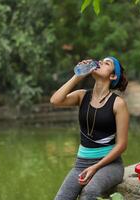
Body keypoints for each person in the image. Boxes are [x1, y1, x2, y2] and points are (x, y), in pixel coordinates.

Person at [50, 56, 129, 200]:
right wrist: (77, 76)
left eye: (107, 63)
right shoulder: (82, 96)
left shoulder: (118, 104)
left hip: (109, 165)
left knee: (89, 192)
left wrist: (95, 167)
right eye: (100, 61)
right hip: (81, 164)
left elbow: (122, 145)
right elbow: (55, 100)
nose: (100, 63)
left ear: (113, 76)